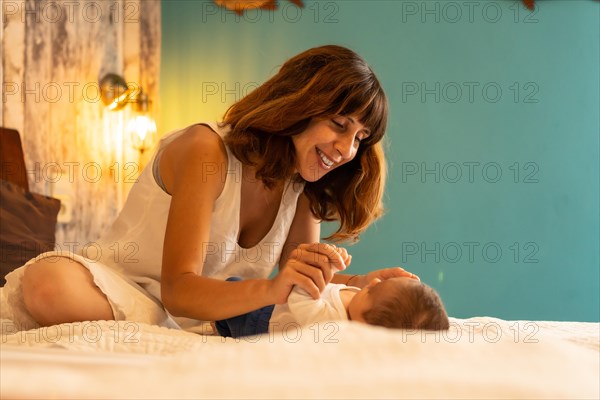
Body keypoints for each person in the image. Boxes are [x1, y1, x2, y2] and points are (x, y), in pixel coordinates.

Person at [5, 45, 418, 332]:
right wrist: (268, 293)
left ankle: (199, 327)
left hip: (207, 312)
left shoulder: (305, 186)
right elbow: (181, 290)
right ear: (299, 105)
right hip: (123, 288)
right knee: (49, 284)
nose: (347, 150)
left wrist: (358, 289)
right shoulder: (207, 150)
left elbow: (299, 286)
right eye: (339, 125)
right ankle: (195, 328)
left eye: (361, 137)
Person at [215, 275, 449, 338]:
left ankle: (220, 324)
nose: (374, 282)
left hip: (262, 321)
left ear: (364, 326)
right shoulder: (358, 305)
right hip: (272, 307)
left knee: (232, 292)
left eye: (374, 290)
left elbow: (300, 296)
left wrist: (324, 271)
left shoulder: (330, 322)